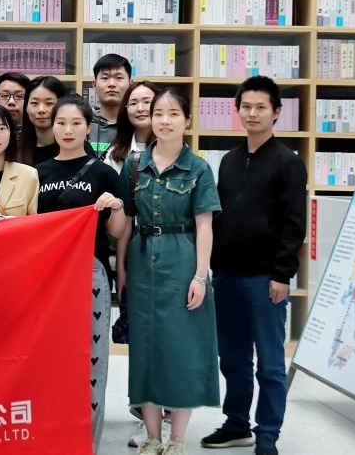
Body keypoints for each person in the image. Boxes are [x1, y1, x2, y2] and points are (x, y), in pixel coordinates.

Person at [202, 76, 307, 455]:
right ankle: (236, 424)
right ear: (237, 110)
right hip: (227, 276)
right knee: (232, 359)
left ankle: (267, 435)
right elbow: (218, 217)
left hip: (266, 279)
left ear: (276, 112)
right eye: (245, 106)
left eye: (261, 107)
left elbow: (294, 224)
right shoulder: (229, 161)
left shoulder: (288, 163)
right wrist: (212, 267)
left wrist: (282, 274)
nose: (252, 113)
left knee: (271, 364)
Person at [117, 88, 222, 455]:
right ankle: (151, 436)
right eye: (158, 113)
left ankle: (177, 439)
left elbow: (205, 226)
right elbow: (125, 223)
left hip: (183, 261)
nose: (164, 120)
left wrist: (200, 276)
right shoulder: (135, 165)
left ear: (187, 121)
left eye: (173, 113)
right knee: (144, 349)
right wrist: (121, 268)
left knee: (181, 349)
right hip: (141, 259)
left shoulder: (199, 168)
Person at [35, 94, 128, 455]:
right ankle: (50, 437)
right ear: (52, 126)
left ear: (89, 127)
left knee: (91, 360)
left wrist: (116, 206)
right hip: (47, 276)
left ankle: (86, 442)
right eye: (61, 122)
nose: (68, 130)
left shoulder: (103, 173)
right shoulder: (37, 173)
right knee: (49, 359)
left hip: (90, 273)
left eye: (76, 123)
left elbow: (117, 231)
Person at [107, 80, 167, 449]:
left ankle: (166, 416)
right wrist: (121, 266)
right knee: (141, 341)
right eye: (134, 102)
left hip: (172, 255)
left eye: (149, 101)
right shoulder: (118, 155)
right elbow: (122, 217)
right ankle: (146, 414)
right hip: (134, 253)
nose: (141, 108)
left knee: (168, 339)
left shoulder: (177, 151)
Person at [104, 80, 160, 172]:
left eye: (147, 102)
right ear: (126, 109)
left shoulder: (175, 148)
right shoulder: (114, 155)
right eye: (133, 103)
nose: (140, 109)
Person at [17, 75, 68, 166]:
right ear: (26, 107)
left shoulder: (78, 148)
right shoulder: (15, 150)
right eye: (34, 103)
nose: (41, 110)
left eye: (49, 103)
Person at [90, 53, 132, 155]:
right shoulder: (83, 121)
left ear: (130, 84)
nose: (112, 84)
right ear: (94, 84)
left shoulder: (136, 124)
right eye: (105, 78)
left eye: (119, 78)